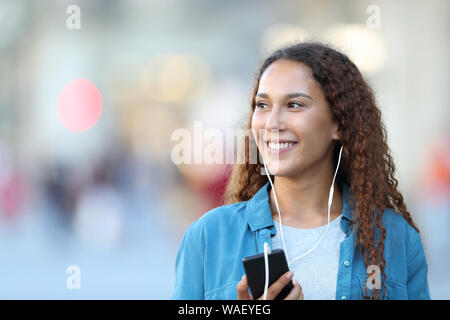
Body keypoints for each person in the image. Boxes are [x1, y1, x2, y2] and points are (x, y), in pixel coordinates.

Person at [172, 42, 431, 300]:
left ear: (339, 124)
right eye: (262, 105)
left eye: (294, 105)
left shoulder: (397, 240)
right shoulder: (209, 237)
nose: (272, 123)